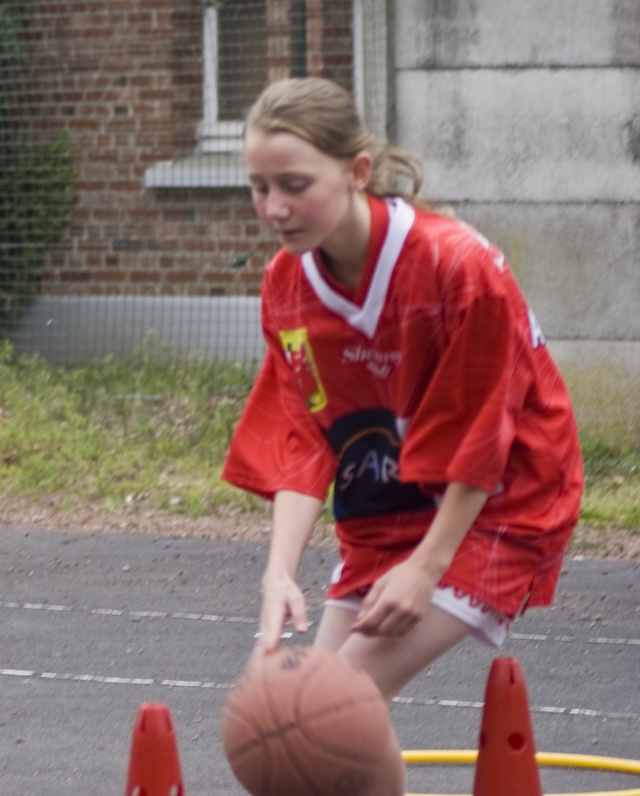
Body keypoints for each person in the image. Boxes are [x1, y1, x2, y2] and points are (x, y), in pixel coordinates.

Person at [222, 76, 584, 793]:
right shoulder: (286, 284)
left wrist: (427, 567)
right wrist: (278, 573)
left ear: (357, 171)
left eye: (293, 184)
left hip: (503, 500)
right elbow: (302, 437)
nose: (274, 208)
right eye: (258, 188)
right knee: (326, 724)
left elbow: (485, 432)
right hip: (386, 500)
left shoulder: (459, 266)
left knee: (320, 711)